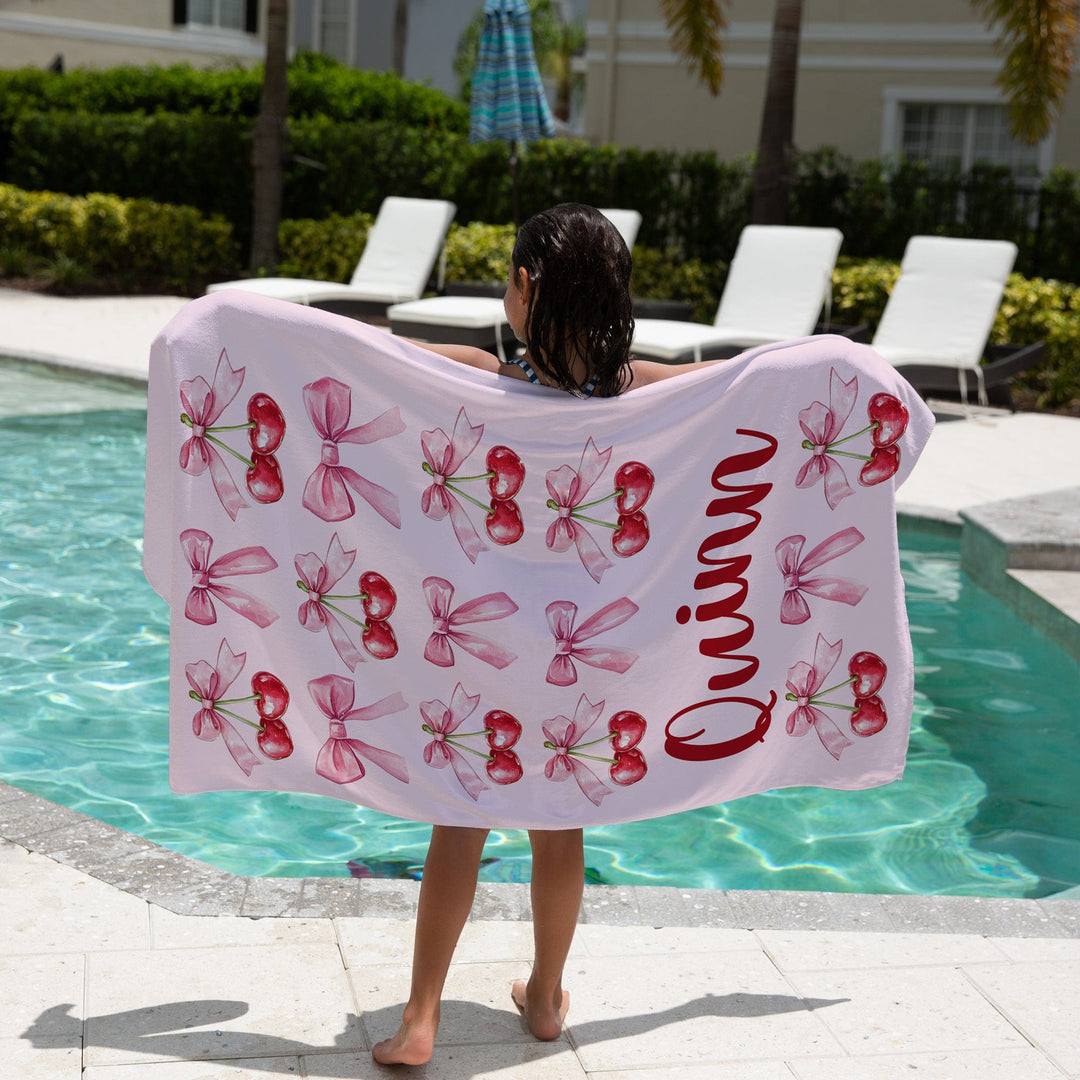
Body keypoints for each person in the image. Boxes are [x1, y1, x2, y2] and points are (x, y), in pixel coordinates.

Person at [372, 203, 714, 1067]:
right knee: (559, 827)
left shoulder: (482, 378)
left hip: (486, 651)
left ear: (523, 287)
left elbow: (376, 361)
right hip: (582, 657)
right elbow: (732, 384)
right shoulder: (631, 390)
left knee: (461, 823)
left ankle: (421, 1019)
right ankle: (549, 1000)